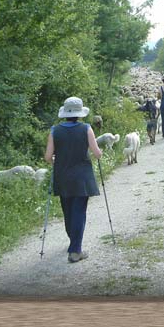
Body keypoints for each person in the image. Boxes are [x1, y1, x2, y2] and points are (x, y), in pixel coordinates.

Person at [45, 96, 103, 263]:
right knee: (79, 211)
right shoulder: (86, 128)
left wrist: (56, 160)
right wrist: (100, 154)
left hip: (62, 176)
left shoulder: (54, 130)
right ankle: (75, 250)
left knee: (68, 211)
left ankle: (73, 242)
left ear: (64, 113)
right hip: (82, 177)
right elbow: (97, 153)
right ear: (80, 113)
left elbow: (48, 156)